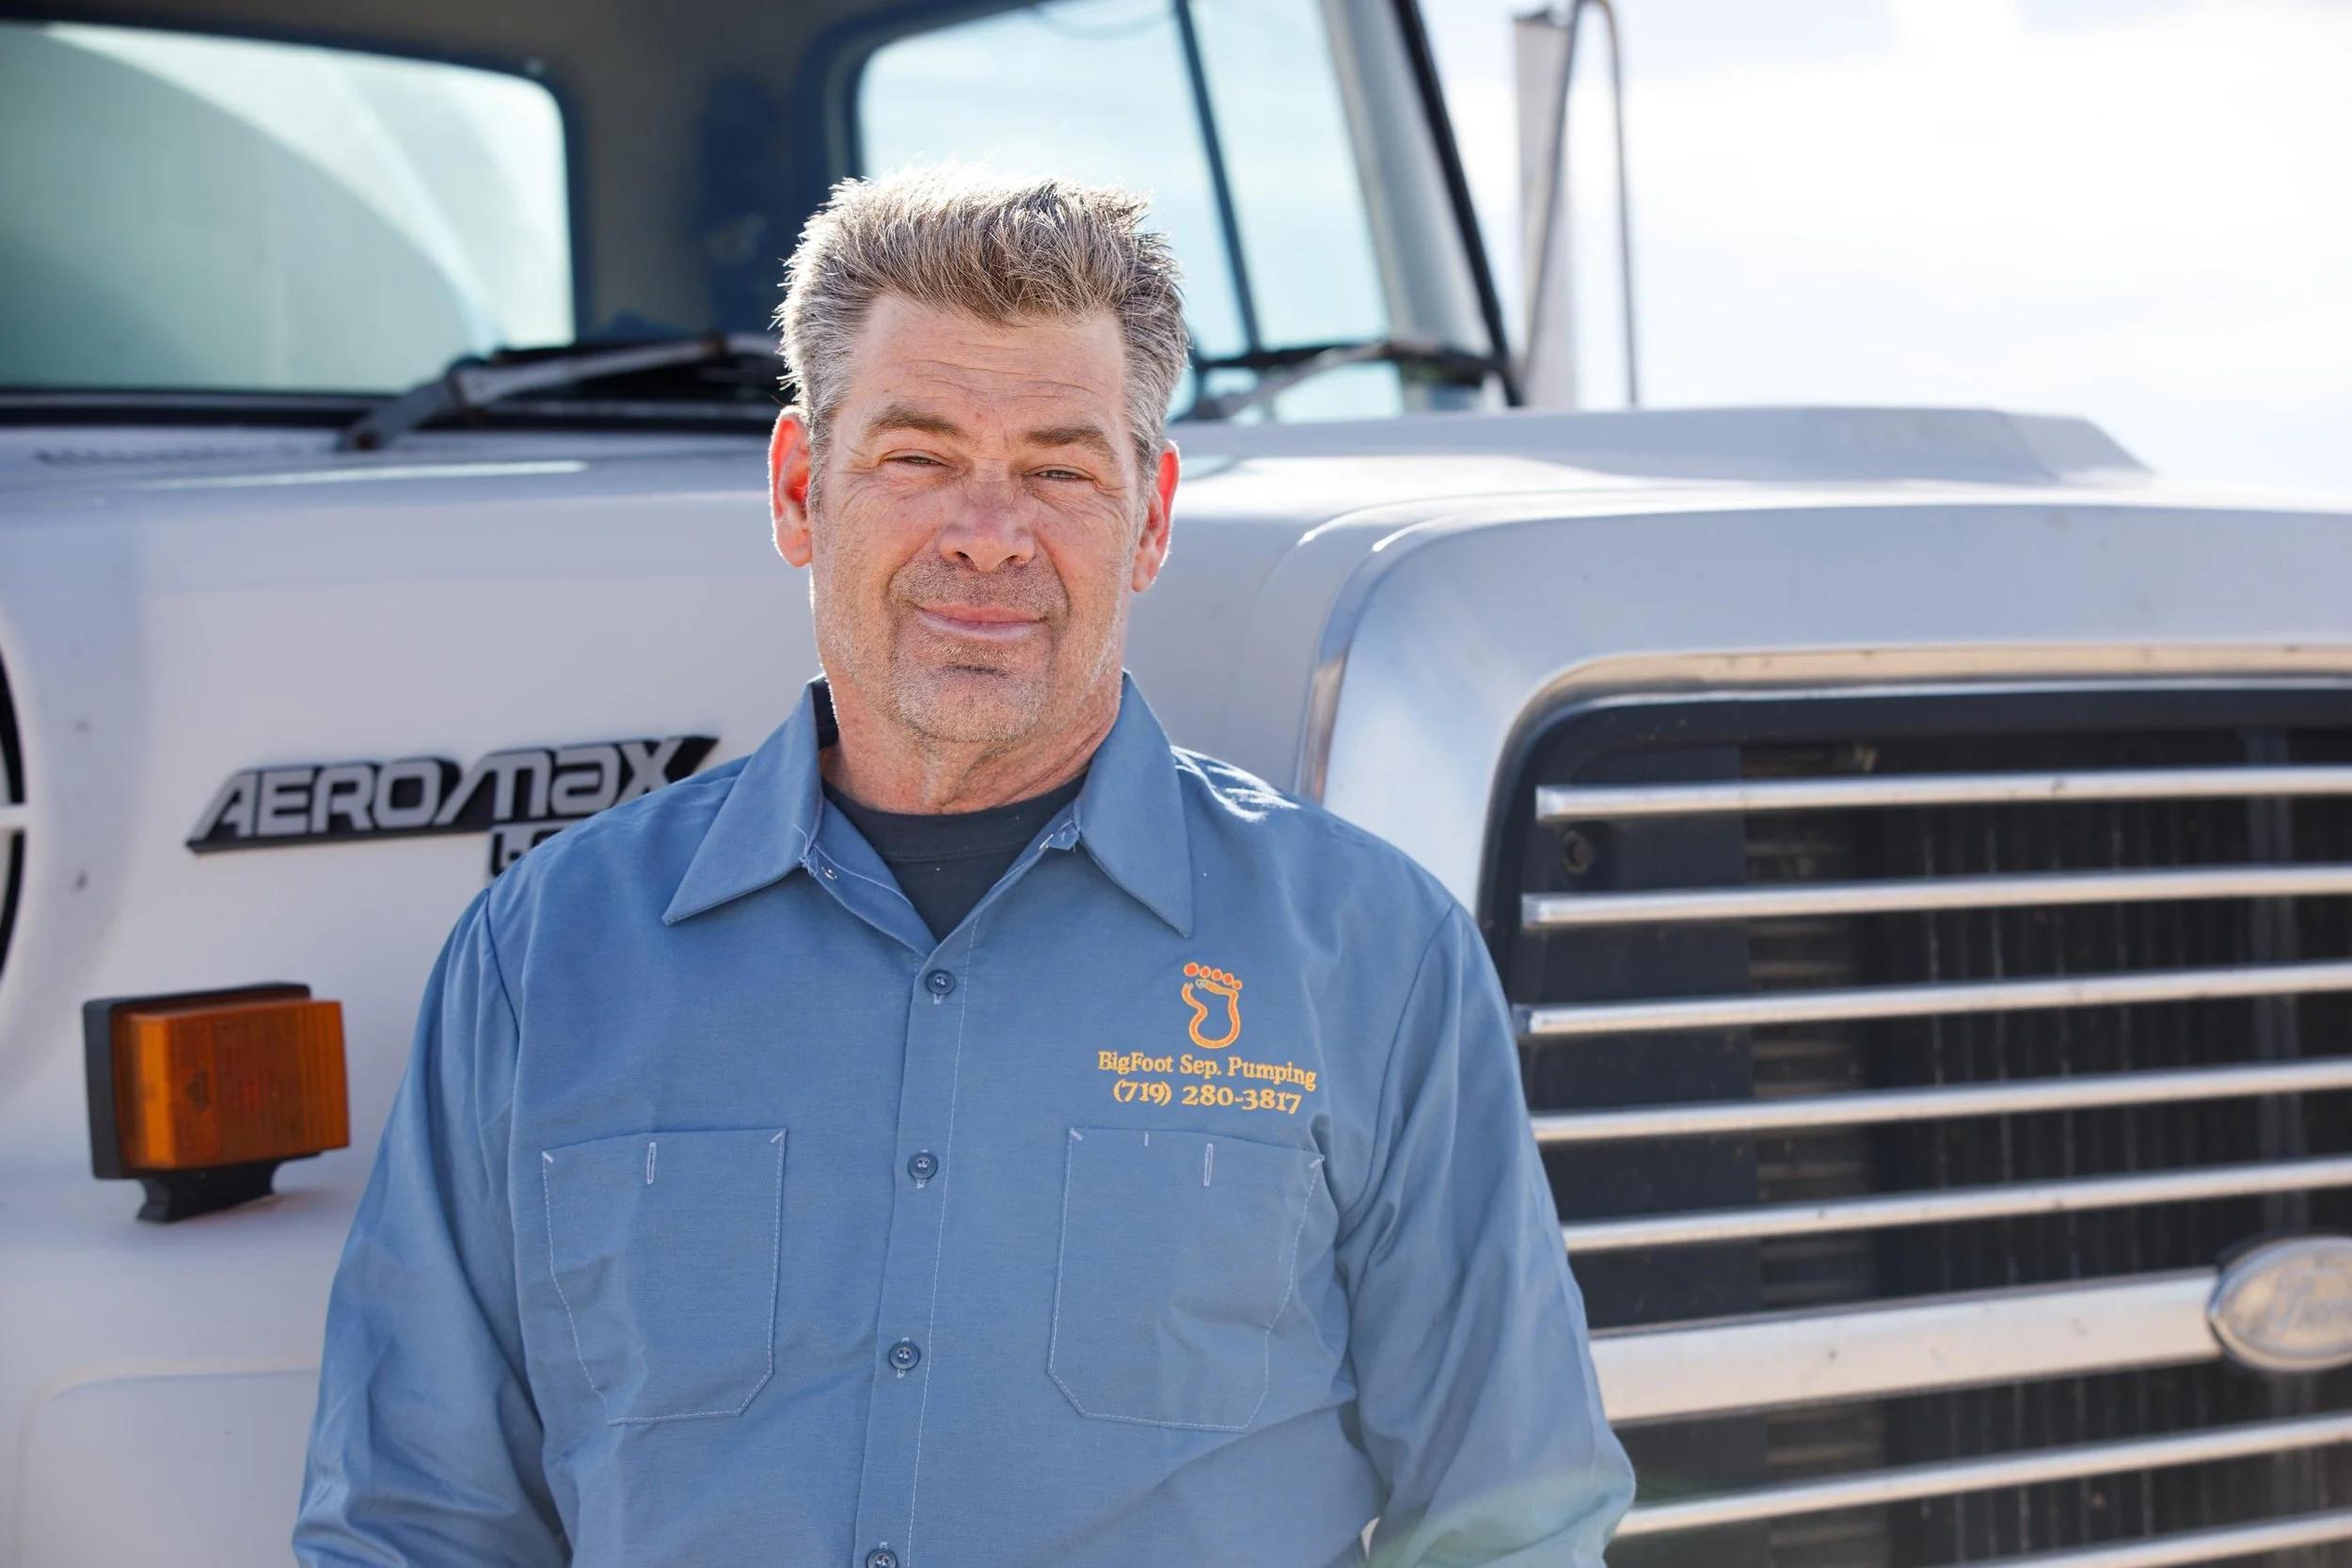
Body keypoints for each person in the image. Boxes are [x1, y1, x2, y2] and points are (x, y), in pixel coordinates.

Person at [294, 168, 1632, 1568]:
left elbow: (1511, 1520)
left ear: (1152, 515)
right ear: (802, 490)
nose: (987, 535)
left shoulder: (1373, 957)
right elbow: (416, 1524)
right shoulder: (542, 959)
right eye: (918, 456)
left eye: (1058, 468)